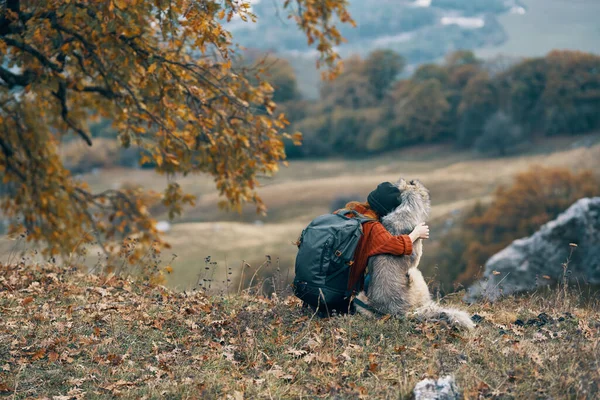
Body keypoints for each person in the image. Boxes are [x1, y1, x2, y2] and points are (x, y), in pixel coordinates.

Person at [335, 182, 430, 294]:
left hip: (325, 279)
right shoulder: (372, 227)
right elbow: (396, 245)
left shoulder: (346, 212)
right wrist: (417, 233)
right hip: (340, 291)